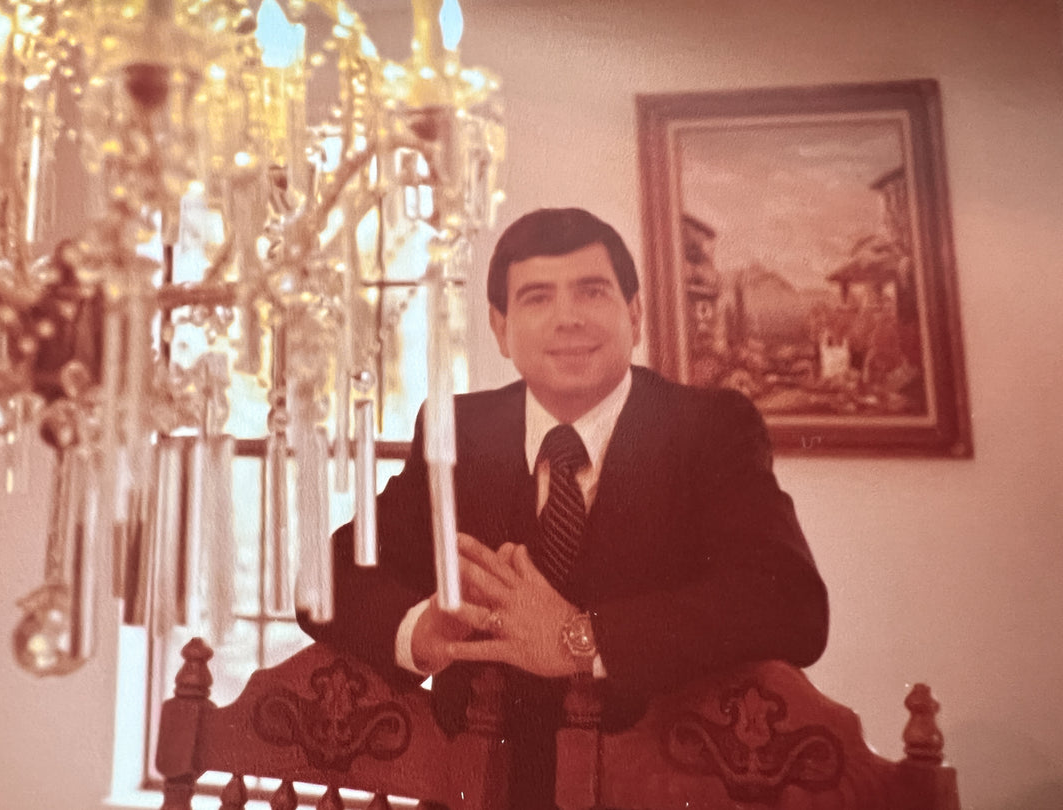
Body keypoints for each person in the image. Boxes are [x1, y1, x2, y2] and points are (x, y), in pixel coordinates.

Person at [299, 207, 828, 810]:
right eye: (536, 298)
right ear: (500, 328)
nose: (568, 317)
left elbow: (790, 603)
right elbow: (325, 579)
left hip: (655, 794)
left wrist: (580, 639)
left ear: (634, 315)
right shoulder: (459, 431)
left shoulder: (710, 427)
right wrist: (423, 629)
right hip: (474, 792)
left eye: (592, 290)